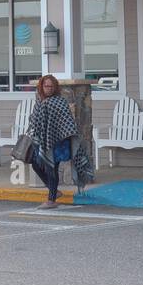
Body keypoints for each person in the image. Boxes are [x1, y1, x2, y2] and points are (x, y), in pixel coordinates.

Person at [26, 74, 94, 209]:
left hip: (57, 141)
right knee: (35, 163)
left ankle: (51, 200)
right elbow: (35, 120)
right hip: (42, 140)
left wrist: (63, 135)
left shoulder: (59, 101)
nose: (49, 89)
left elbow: (67, 121)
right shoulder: (40, 101)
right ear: (41, 87)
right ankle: (54, 191)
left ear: (55, 87)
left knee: (52, 168)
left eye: (51, 86)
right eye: (46, 86)